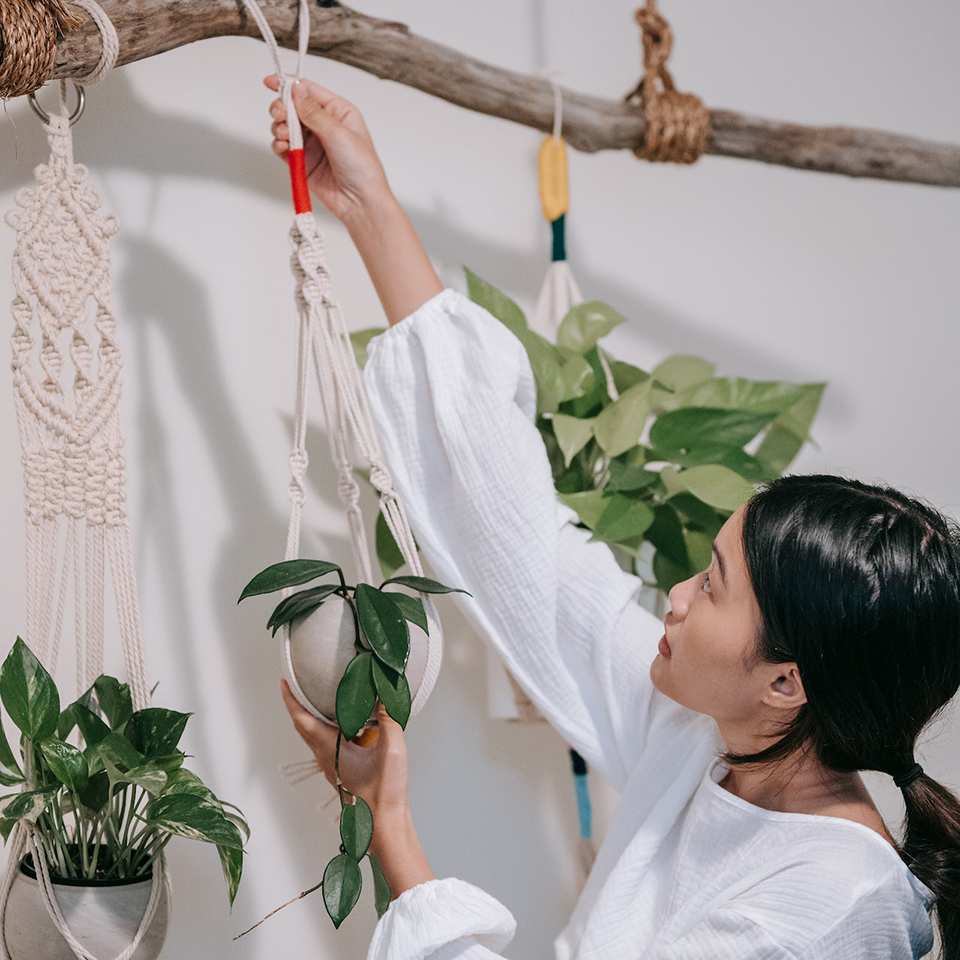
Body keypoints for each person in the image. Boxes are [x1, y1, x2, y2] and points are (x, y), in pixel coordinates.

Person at [265, 76, 960, 959]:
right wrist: (365, 203)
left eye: (712, 586)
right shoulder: (710, 738)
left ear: (786, 681)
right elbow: (524, 543)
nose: (672, 595)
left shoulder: (825, 911)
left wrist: (386, 821)